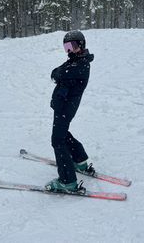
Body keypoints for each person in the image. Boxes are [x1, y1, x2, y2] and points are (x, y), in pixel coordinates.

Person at [45, 30, 95, 193]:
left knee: (57, 140)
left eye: (71, 46)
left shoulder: (81, 64)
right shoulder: (75, 60)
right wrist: (58, 73)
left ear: (80, 45)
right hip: (63, 106)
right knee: (62, 134)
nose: (68, 50)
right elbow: (55, 72)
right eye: (66, 46)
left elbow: (59, 73)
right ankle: (80, 160)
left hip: (66, 107)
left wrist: (58, 73)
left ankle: (67, 180)